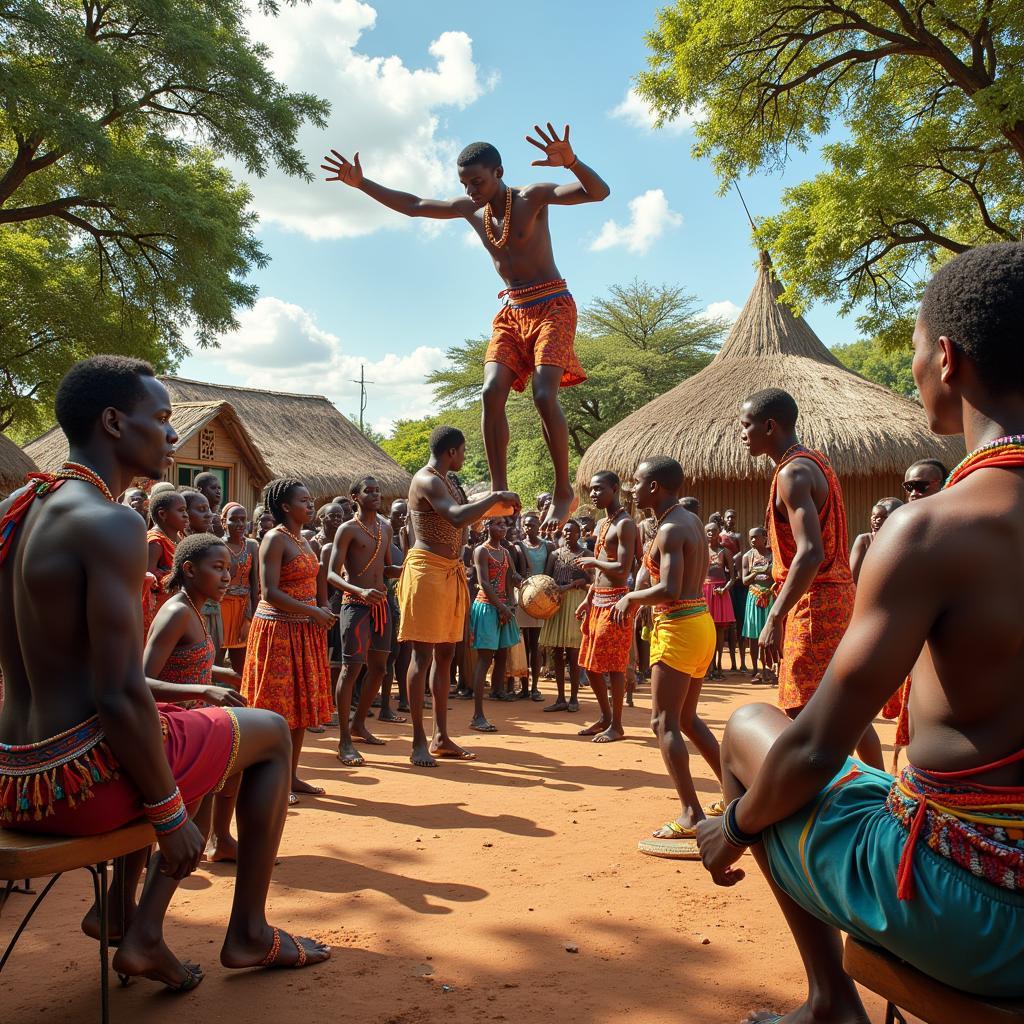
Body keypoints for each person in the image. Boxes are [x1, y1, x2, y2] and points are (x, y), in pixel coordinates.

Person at [697, 241, 1024, 1014]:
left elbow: (814, 748)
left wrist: (735, 827)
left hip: (975, 908)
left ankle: (827, 1002)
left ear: (946, 359)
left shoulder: (933, 530)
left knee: (752, 725)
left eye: (914, 352)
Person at [0, 357, 328, 987]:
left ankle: (139, 927)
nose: (172, 436)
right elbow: (119, 692)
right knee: (266, 731)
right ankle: (250, 934)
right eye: (162, 420)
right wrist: (170, 812)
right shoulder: (113, 522)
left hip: (13, 778)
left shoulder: (20, 505)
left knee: (196, 727)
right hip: (78, 783)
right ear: (114, 422)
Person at [323, 128, 610, 530]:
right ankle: (499, 491)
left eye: (477, 181)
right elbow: (415, 205)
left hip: (552, 305)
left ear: (498, 172)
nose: (471, 190)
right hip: (512, 310)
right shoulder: (469, 209)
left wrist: (573, 163)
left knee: (545, 395)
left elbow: (598, 193)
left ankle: (563, 490)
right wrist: (362, 183)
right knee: (490, 392)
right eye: (464, 183)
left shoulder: (532, 197)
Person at [739, 387, 884, 771]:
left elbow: (810, 553)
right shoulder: (813, 462)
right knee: (842, 705)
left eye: (746, 425)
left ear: (769, 426)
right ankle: (881, 789)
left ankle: (822, 803)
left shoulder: (792, 473)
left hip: (815, 603)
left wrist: (774, 616)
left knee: (805, 712)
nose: (742, 434)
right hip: (833, 598)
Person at [610, 458, 718, 849]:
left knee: (663, 722)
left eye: (636, 483)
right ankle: (737, 792)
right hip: (698, 625)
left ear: (654, 487)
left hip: (679, 627)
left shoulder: (672, 527)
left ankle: (691, 814)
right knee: (686, 718)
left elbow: (670, 588)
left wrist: (633, 599)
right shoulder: (689, 520)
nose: (631, 490)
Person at [398, 425, 519, 766]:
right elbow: (453, 518)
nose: (465, 457)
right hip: (427, 572)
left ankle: (440, 736)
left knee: (446, 654)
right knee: (421, 656)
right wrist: (495, 497)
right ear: (452, 451)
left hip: (450, 573)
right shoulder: (427, 479)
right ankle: (418, 741)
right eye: (464, 451)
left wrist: (500, 508)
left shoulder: (450, 481)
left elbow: (470, 520)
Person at [144, 534, 247, 864]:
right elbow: (141, 681)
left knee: (232, 766)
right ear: (189, 569)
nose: (226, 576)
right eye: (217, 568)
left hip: (196, 718)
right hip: (173, 727)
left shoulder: (195, 609)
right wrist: (204, 690)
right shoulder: (176, 613)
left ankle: (219, 841)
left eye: (228, 568)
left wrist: (220, 673)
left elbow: (184, 660)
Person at [242, 478, 335, 802]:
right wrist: (312, 613)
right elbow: (269, 592)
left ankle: (291, 776)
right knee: (276, 709)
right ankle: (272, 780)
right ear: (285, 506)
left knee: (299, 709)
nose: (311, 505)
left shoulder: (303, 540)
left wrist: (318, 610)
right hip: (278, 633)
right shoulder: (274, 539)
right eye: (304, 501)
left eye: (311, 501)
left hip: (304, 630)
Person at [327, 477, 399, 767]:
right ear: (354, 496)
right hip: (355, 606)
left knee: (380, 668)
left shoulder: (385, 527)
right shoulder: (347, 530)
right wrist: (359, 591)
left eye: (377, 490)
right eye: (368, 491)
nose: (375, 494)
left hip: (381, 605)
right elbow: (332, 574)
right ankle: (344, 739)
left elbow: (385, 568)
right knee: (351, 668)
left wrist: (411, 568)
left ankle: (358, 725)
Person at [575, 471, 638, 743]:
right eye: (591, 489)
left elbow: (623, 569)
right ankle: (604, 717)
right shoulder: (601, 524)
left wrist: (594, 562)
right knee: (590, 665)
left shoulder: (625, 524)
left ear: (614, 489)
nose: (593, 494)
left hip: (616, 601)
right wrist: (588, 598)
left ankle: (618, 725)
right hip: (598, 599)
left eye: (599, 489)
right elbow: (601, 568)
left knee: (613, 667)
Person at [468, 517, 522, 732]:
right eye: (497, 524)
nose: (503, 528)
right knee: (484, 659)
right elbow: (484, 583)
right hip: (487, 607)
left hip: (503, 608)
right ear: (487, 527)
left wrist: (518, 580)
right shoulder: (481, 551)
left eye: (504, 524)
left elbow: (511, 578)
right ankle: (477, 715)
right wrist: (502, 607)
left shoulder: (506, 552)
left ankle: (497, 691)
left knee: (501, 654)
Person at [539, 519, 591, 712]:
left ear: (580, 534)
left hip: (576, 604)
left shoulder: (586, 555)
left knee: (573, 652)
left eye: (573, 531)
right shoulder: (554, 555)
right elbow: (546, 579)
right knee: (556, 652)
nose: (569, 534)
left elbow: (593, 581)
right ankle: (560, 698)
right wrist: (567, 586)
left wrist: (581, 584)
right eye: (566, 531)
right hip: (557, 603)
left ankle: (574, 698)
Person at [513, 510, 552, 701]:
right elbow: (513, 572)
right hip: (522, 598)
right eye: (526, 525)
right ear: (523, 526)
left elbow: (550, 572)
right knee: (523, 645)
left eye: (533, 525)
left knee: (535, 645)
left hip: (542, 600)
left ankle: (535, 687)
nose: (530, 528)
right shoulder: (517, 547)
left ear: (539, 526)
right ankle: (524, 687)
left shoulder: (548, 546)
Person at [378, 501, 410, 722]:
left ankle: (398, 701)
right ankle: (382, 705)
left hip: (398, 605)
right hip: (382, 605)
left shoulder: (399, 547)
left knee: (399, 655)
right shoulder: (381, 547)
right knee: (384, 659)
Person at [183, 488, 224, 657]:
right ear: (184, 513)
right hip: (192, 613)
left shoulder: (212, 542)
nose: (209, 515)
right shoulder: (183, 546)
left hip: (212, 609)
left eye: (208, 509)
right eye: (201, 510)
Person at [219, 502, 259, 675]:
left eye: (243, 520)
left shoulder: (252, 546)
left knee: (241, 665)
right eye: (233, 520)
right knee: (216, 660)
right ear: (223, 522)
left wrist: (252, 617)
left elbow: (255, 583)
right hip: (220, 608)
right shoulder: (216, 545)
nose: (239, 524)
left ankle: (239, 699)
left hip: (244, 609)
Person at [145, 489, 188, 636]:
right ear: (162, 514)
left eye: (186, 510)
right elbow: (148, 583)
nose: (186, 515)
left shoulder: (178, 538)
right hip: (160, 610)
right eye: (181, 510)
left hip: (177, 604)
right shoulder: (155, 542)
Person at [741, 527, 775, 684]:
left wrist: (770, 587)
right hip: (754, 597)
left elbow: (776, 577)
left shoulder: (773, 555)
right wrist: (756, 572)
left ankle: (770, 668)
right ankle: (755, 669)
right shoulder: (747, 556)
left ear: (764, 537)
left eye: (756, 537)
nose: (753, 540)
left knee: (771, 634)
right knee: (754, 636)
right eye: (751, 537)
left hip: (769, 596)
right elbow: (744, 580)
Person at [703, 522, 736, 680]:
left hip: (720, 592)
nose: (711, 533)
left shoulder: (725, 552)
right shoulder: (701, 551)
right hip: (704, 592)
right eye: (708, 531)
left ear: (719, 533)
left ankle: (719, 666)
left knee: (719, 630)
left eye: (714, 531)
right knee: (705, 630)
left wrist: (724, 589)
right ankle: (707, 666)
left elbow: (733, 577)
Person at [849, 496, 904, 584]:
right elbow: (851, 579)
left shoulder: (904, 544)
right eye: (874, 516)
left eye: (884, 517)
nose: (877, 520)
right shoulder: (865, 541)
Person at [720, 509, 747, 673]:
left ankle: (742, 662)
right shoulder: (718, 535)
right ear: (724, 519)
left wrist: (729, 558)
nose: (731, 519)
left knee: (739, 620)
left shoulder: (738, 536)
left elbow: (742, 552)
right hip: (723, 580)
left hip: (736, 579)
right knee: (726, 623)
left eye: (733, 517)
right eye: (728, 517)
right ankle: (725, 663)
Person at [193, 472, 225, 538]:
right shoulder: (195, 517)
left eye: (219, 488)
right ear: (200, 490)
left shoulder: (221, 518)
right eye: (213, 488)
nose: (218, 491)